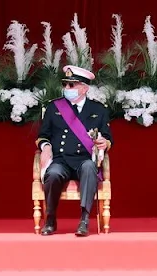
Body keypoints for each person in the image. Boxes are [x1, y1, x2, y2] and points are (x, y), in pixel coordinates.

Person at [36, 65, 113, 237]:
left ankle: (84, 220)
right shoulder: (54, 108)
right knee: (53, 173)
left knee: (89, 168)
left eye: (72, 85)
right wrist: (45, 147)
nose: (66, 89)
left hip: (84, 159)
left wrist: (103, 142)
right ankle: (50, 219)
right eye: (65, 85)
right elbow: (42, 136)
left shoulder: (98, 110)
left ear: (84, 88)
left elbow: (108, 138)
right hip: (61, 159)